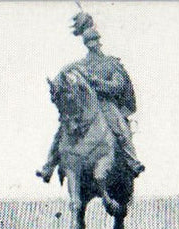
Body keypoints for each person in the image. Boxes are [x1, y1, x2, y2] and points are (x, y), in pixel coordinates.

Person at [38, 11, 145, 182]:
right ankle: (48, 166)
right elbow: (61, 80)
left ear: (99, 41)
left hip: (106, 104)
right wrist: (56, 88)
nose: (93, 44)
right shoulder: (78, 66)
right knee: (60, 132)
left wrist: (97, 83)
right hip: (83, 108)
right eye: (89, 41)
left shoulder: (111, 63)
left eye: (94, 40)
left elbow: (118, 85)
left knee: (121, 128)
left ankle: (132, 160)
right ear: (85, 44)